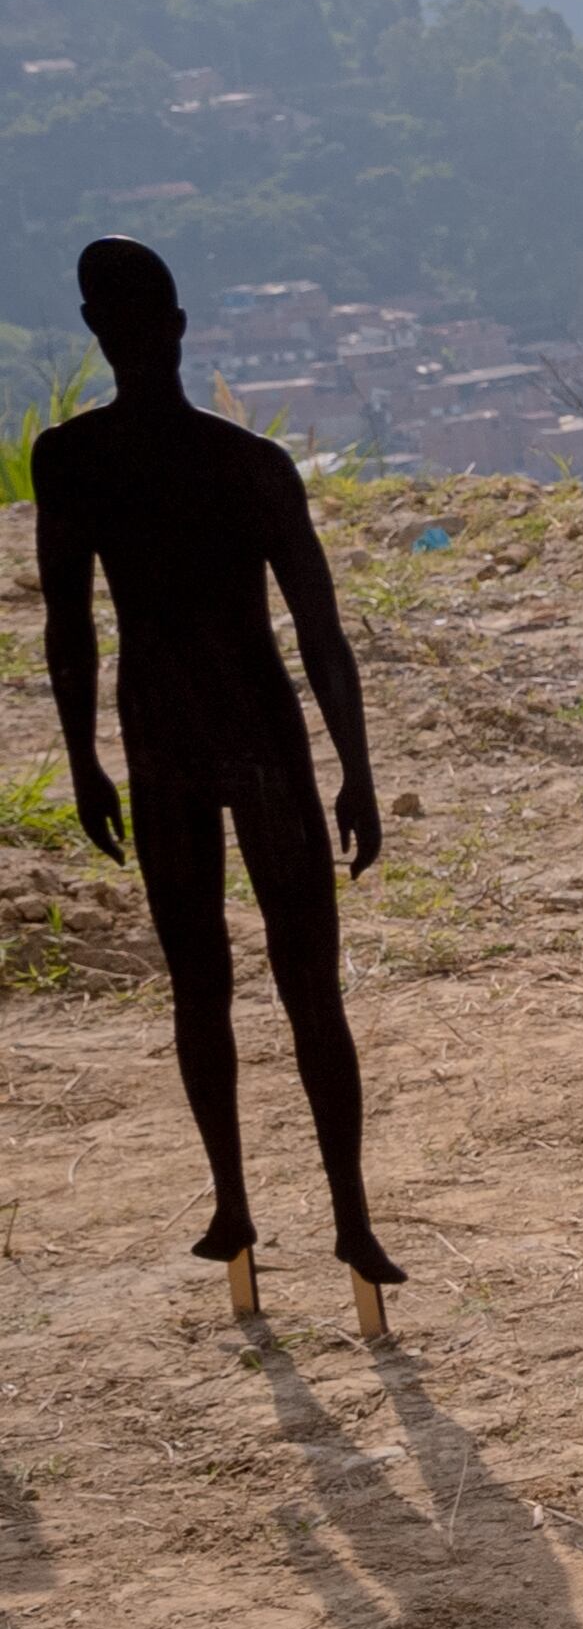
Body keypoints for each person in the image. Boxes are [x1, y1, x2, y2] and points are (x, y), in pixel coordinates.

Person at [30, 236, 399, 1289]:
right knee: (274, 981)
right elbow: (316, 632)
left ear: (102, 332)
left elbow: (75, 629)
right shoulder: (241, 462)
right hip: (235, 730)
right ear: (175, 327)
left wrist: (87, 756)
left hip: (171, 733)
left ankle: (286, 1206)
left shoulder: (83, 457)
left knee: (240, 982)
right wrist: (353, 764)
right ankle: (303, 1208)